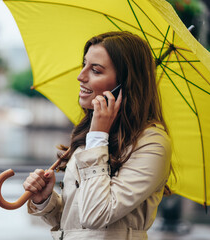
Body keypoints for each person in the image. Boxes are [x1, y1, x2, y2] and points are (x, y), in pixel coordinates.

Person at [23, 31, 172, 240]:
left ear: (124, 84)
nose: (81, 76)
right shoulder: (90, 136)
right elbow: (75, 224)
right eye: (84, 65)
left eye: (95, 70)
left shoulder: (152, 143)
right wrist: (45, 200)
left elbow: (95, 215)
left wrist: (98, 135)